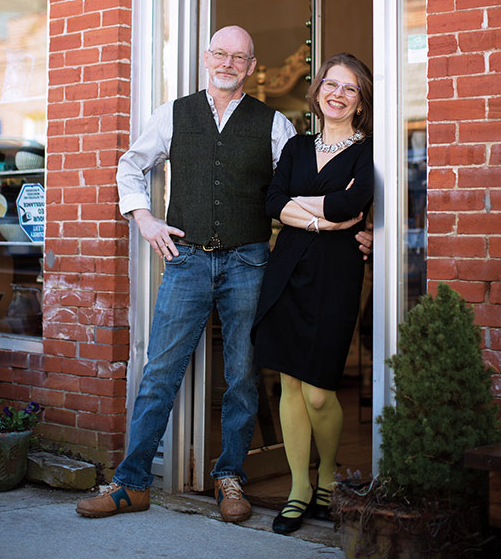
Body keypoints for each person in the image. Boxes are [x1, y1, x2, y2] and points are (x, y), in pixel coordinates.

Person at [76, 28, 372, 524]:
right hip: (187, 259)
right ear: (205, 57)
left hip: (252, 261)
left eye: (239, 57)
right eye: (220, 53)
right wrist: (144, 218)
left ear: (252, 66)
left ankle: (230, 478)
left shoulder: (275, 124)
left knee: (242, 377)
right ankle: (131, 483)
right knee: (159, 372)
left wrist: (364, 230)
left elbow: (301, 185)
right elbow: (131, 164)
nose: (228, 63)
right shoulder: (173, 114)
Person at [252, 53, 374, 535]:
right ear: (318, 90)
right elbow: (272, 202)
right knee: (289, 385)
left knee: (320, 391)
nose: (338, 94)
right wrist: (328, 219)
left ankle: (329, 473)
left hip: (336, 274)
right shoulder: (298, 147)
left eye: (350, 88)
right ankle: (300, 488)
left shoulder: (368, 151)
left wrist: (302, 209)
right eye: (331, 84)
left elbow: (354, 200)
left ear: (360, 101)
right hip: (286, 272)